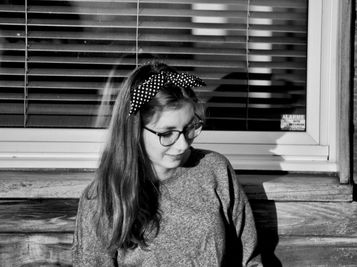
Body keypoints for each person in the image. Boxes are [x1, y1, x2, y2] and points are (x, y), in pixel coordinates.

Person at [72, 62, 263, 266]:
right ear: (134, 131)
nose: (182, 145)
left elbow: (249, 260)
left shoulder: (214, 170)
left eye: (190, 127)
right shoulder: (104, 199)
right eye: (167, 133)